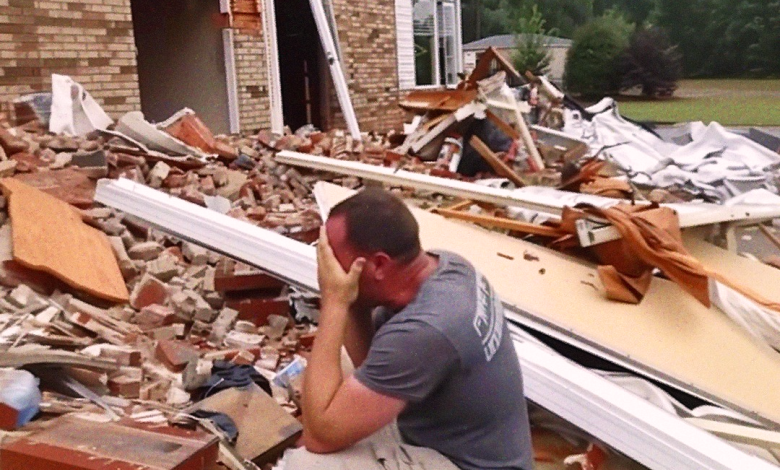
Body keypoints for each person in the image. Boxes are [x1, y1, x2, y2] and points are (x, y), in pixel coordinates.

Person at [287, 188, 534, 470]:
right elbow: (375, 362)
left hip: (470, 465)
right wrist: (351, 302)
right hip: (449, 437)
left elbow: (320, 438)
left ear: (379, 264)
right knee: (336, 364)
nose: (329, 266)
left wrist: (333, 299)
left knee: (307, 464)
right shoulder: (446, 266)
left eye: (333, 255)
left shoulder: (427, 329)